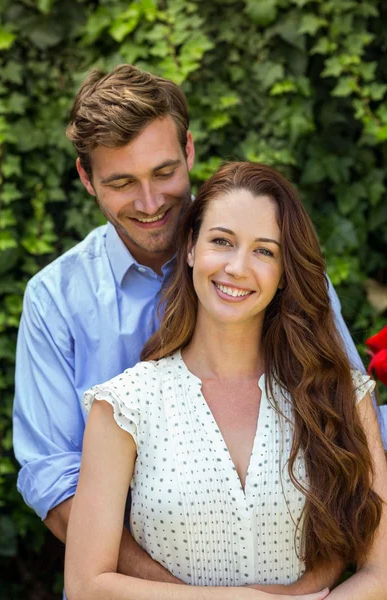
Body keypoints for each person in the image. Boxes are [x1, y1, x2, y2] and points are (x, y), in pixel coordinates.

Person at [13, 64, 376, 593]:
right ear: (86, 178)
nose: (150, 201)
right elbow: (56, 484)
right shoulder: (56, 302)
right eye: (121, 182)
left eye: (163, 172)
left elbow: (347, 441)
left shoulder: (286, 275)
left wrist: (299, 591)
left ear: (188, 151)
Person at [64, 162, 387, 600]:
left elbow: (381, 572)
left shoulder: (341, 394)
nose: (237, 267)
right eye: (222, 242)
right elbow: (86, 585)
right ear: (192, 247)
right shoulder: (124, 405)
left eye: (264, 251)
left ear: (285, 270)